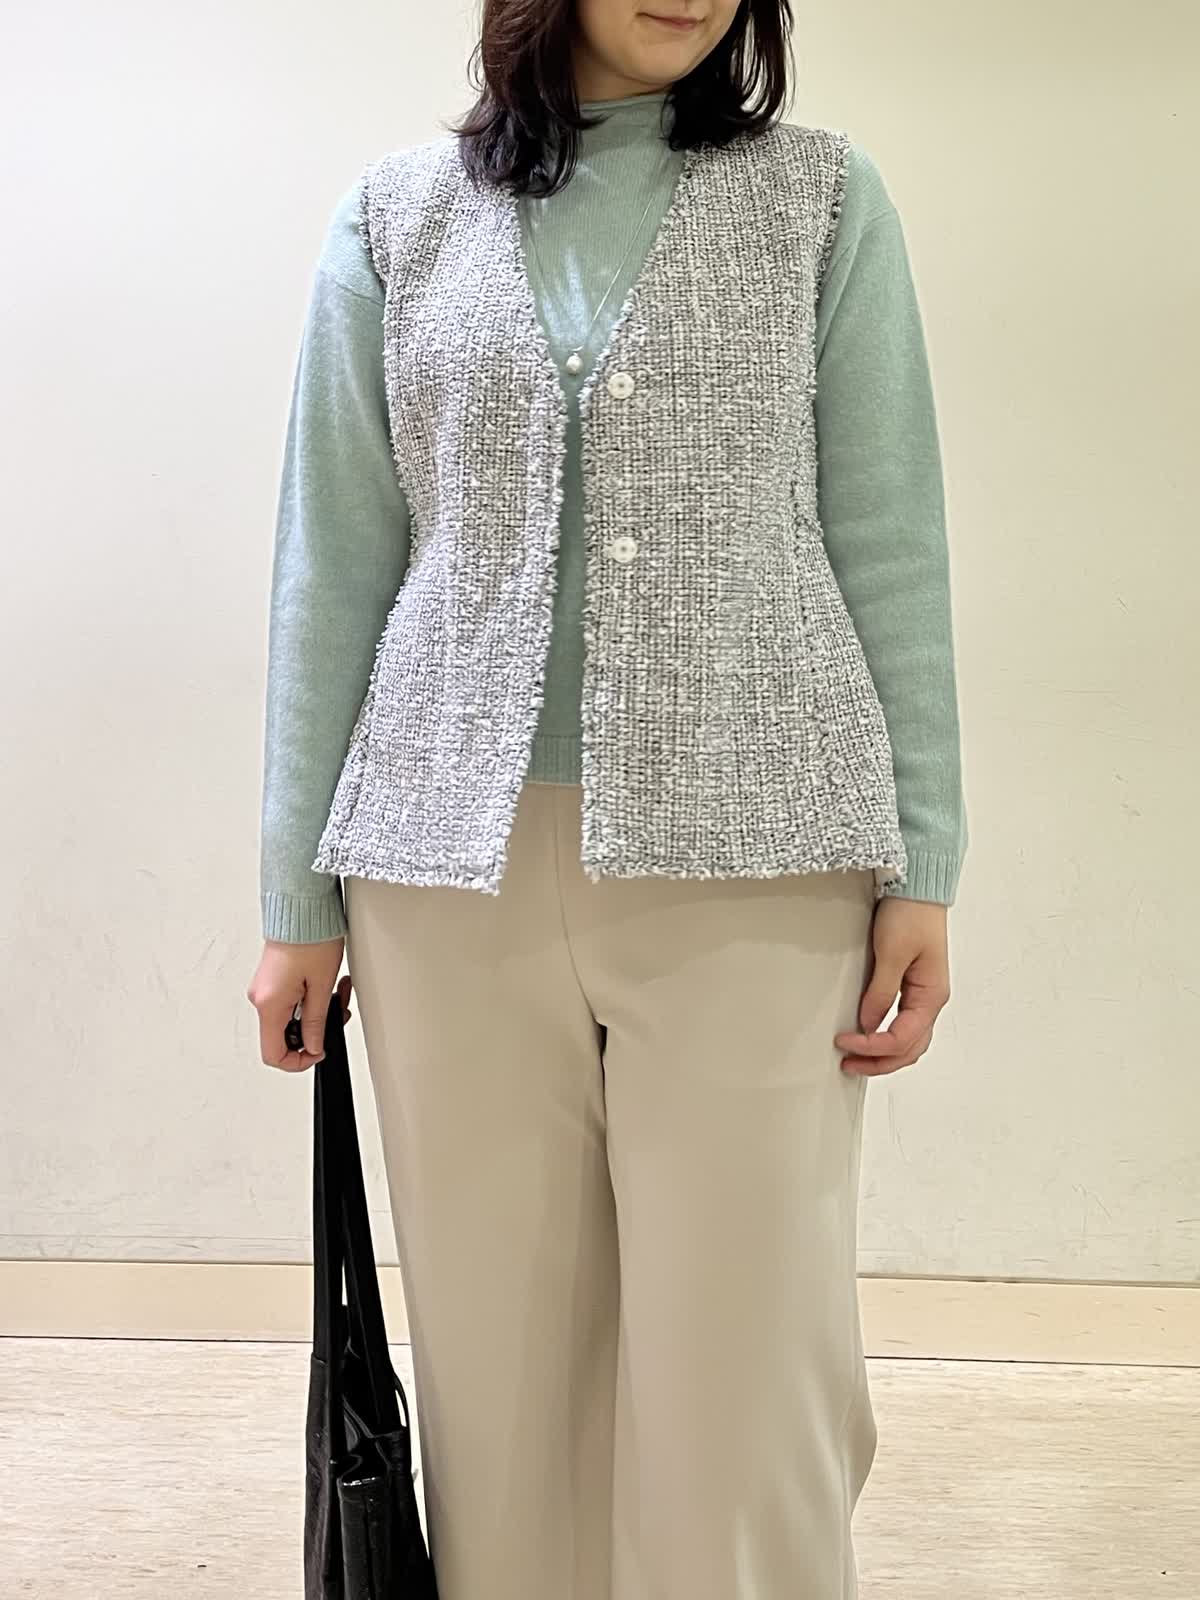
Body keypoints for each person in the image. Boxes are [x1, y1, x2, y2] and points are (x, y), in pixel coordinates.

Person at [246, 0, 967, 1594]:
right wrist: (296, 896)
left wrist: (924, 860)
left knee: (750, 1382)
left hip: (761, 858)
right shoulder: (395, 220)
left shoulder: (822, 201)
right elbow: (333, 565)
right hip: (442, 872)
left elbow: (891, 538)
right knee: (502, 1388)